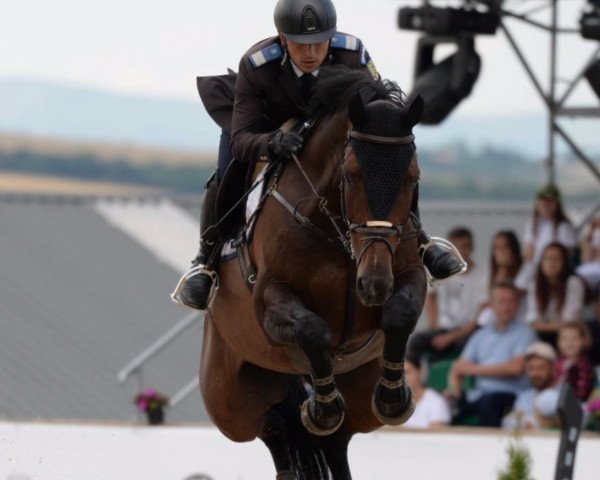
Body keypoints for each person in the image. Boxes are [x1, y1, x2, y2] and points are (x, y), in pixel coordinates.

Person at [173, 0, 465, 310]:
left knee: (391, 158)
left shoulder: (352, 53)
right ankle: (206, 260)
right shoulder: (258, 64)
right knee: (226, 172)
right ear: (283, 39)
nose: (312, 53)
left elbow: (380, 109)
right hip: (266, 123)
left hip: (328, 122)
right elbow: (242, 139)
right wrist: (273, 143)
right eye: (301, 44)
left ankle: (422, 240)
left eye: (319, 42)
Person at [447, 281, 537, 427]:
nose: (506, 307)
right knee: (444, 402)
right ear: (491, 305)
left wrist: (474, 369)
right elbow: (458, 368)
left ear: (517, 305)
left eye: (510, 302)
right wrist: (453, 390)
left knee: (490, 402)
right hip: (479, 395)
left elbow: (515, 369)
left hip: (511, 397)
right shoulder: (480, 335)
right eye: (501, 302)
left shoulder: (526, 333)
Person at [408, 227, 488, 360]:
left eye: (465, 246)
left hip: (468, 331)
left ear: (472, 247)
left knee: (464, 345)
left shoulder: (483, 274)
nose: (461, 251)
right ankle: (412, 378)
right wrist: (433, 323)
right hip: (443, 329)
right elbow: (430, 296)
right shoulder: (441, 271)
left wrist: (450, 338)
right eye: (457, 246)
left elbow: (481, 315)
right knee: (416, 341)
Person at [515, 184, 576, 290]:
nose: (545, 205)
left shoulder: (564, 226)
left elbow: (566, 256)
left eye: (550, 202)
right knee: (518, 285)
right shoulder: (533, 223)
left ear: (557, 204)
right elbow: (528, 253)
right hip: (534, 267)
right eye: (542, 201)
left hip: (553, 271)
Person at [524, 242, 586, 345]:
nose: (551, 263)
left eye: (556, 259)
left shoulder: (573, 283)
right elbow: (532, 320)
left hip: (568, 336)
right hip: (542, 335)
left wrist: (543, 325)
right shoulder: (534, 284)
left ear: (564, 262)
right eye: (547, 258)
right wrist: (550, 326)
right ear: (541, 262)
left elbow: (570, 321)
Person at [502, 342, 560, 431]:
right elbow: (510, 424)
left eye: (541, 368)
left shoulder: (563, 394)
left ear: (553, 368)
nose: (535, 374)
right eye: (531, 368)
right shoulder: (525, 396)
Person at [477, 230, 524, 327]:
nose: (501, 252)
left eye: (504, 247)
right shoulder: (487, 274)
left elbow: (513, 298)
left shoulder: (524, 271)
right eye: (496, 248)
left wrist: (504, 268)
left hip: (519, 321)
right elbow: (483, 306)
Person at [401, 355, 451, 429]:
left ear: (420, 372)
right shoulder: (392, 401)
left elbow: (436, 433)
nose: (403, 377)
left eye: (407, 372)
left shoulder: (436, 401)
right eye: (400, 374)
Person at [555, 322, 595, 402]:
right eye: (564, 339)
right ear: (558, 342)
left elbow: (581, 394)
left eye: (574, 338)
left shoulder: (585, 367)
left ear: (584, 341)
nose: (569, 343)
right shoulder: (555, 363)